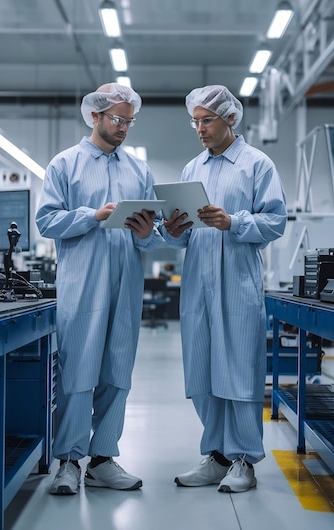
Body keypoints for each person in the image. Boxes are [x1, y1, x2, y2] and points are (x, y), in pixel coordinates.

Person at [36, 83, 164, 495]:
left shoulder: (137, 170)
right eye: (118, 119)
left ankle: (104, 458)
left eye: (130, 120)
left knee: (117, 371)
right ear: (94, 115)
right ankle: (70, 461)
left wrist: (148, 233)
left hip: (125, 284)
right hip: (82, 285)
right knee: (77, 371)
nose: (125, 127)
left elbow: (150, 235)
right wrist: (93, 215)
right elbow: (47, 221)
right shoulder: (65, 165)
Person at [160, 85, 287, 493]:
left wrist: (234, 222)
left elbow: (276, 222)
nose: (199, 128)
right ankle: (216, 455)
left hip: (237, 284)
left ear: (230, 118)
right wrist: (172, 230)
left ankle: (244, 461)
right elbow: (183, 236)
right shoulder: (192, 167)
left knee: (239, 372)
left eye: (206, 120)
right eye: (194, 121)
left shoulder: (256, 164)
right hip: (197, 284)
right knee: (201, 370)